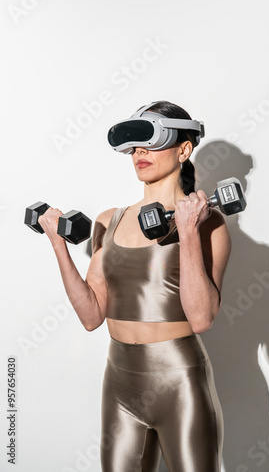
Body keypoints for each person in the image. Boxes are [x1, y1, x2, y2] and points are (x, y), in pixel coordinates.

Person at [38, 100, 231, 472]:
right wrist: (57, 245)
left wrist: (188, 231)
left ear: (184, 149)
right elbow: (92, 316)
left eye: (152, 141)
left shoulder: (210, 224)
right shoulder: (109, 221)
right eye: (134, 144)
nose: (139, 152)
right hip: (119, 381)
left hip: (180, 382)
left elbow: (202, 317)